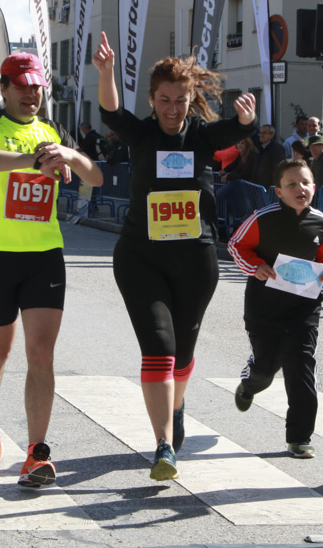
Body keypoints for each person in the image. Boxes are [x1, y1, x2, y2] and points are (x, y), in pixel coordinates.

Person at [92, 31, 257, 481]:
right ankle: (164, 445)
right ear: (152, 98)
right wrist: (106, 73)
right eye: (164, 99)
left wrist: (247, 117)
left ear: (191, 100)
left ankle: (177, 406)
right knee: (160, 349)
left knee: (182, 355)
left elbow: (240, 129)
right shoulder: (142, 133)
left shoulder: (202, 137)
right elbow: (111, 111)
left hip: (195, 261)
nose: (171, 108)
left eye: (180, 100)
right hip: (141, 258)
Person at [0, 52, 103, 489]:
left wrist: (68, 155)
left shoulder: (49, 131)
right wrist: (30, 162)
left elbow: (95, 178)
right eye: (22, 86)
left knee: (41, 354)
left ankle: (37, 453)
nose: (31, 94)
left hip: (43, 256)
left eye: (37, 86)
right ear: (4, 88)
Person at [228, 159, 323, 458]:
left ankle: (299, 438)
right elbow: (236, 245)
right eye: (291, 185)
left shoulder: (320, 221)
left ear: (314, 187)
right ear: (278, 191)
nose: (299, 189)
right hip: (264, 307)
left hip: (304, 307)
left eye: (305, 183)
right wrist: (257, 266)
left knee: (300, 364)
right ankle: (250, 382)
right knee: (266, 367)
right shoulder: (262, 218)